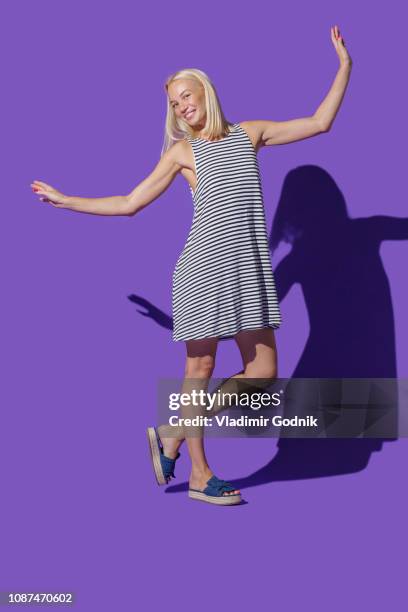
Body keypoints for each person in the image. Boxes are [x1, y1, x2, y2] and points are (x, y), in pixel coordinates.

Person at [31, 25, 352, 506]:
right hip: (204, 270)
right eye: (174, 104)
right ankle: (200, 475)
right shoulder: (183, 152)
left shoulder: (249, 134)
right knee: (199, 368)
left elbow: (319, 122)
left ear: (206, 90)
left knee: (262, 371)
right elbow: (129, 201)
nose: (182, 107)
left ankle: (171, 434)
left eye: (186, 96)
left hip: (248, 271)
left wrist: (345, 66)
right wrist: (67, 200)